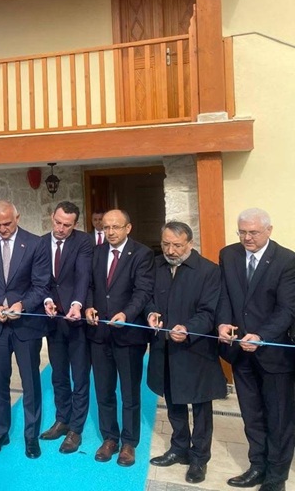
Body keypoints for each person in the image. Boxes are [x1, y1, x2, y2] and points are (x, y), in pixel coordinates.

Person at [217, 208, 295, 491]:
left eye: (253, 232)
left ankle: (276, 477)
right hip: (240, 352)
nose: (247, 238)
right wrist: (223, 323)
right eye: (242, 232)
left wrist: (262, 335)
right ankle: (257, 466)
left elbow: (287, 309)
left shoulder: (287, 260)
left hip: (274, 354)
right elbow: (224, 295)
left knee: (279, 418)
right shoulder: (228, 255)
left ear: (269, 230)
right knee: (251, 415)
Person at [146, 221, 226, 485]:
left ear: (190, 244)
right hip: (165, 348)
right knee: (173, 400)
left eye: (177, 245)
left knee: (200, 405)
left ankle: (199, 458)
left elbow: (209, 312)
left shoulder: (208, 271)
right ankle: (179, 448)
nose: (170, 250)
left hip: (196, 349)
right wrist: (151, 312)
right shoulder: (156, 265)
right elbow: (147, 297)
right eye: (166, 244)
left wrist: (188, 329)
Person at [0, 200, 50, 459]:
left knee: (30, 383)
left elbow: (41, 285)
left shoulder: (35, 243)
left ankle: (31, 437)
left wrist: (22, 305)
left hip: (26, 325)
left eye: (6, 223)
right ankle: (0, 432)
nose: (2, 229)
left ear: (17, 217)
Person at [85, 209, 154, 467]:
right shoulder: (96, 252)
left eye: (116, 227)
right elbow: (90, 285)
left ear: (128, 228)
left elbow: (143, 291)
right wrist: (88, 306)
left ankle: (129, 442)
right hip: (99, 334)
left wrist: (127, 314)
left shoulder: (142, 254)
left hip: (129, 335)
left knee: (129, 393)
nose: (110, 232)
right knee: (103, 390)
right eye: (106, 227)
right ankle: (110, 438)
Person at [40, 201, 93, 454]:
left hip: (76, 319)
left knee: (80, 376)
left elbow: (83, 276)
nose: (61, 228)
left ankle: (76, 430)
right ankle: (62, 420)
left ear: (75, 224)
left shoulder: (83, 242)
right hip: (53, 320)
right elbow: (39, 278)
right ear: (52, 217)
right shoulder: (41, 243)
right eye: (58, 222)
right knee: (58, 374)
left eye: (67, 225)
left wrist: (77, 304)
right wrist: (46, 300)